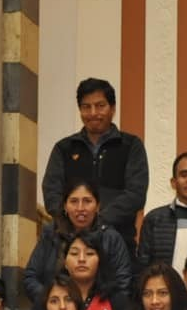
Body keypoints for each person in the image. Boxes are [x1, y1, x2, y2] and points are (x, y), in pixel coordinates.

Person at [41, 77, 149, 241]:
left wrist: (97, 221)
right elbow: (51, 191)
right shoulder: (64, 148)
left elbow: (136, 194)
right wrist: (73, 222)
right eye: (86, 107)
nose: (93, 113)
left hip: (119, 239)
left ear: (112, 109)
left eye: (100, 106)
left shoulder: (131, 145)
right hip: (71, 241)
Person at [23, 179, 135, 310]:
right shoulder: (51, 234)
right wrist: (52, 300)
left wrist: (96, 306)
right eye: (74, 201)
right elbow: (30, 277)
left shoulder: (110, 237)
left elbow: (123, 282)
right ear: (65, 205)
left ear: (98, 206)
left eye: (87, 201)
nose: (80, 208)